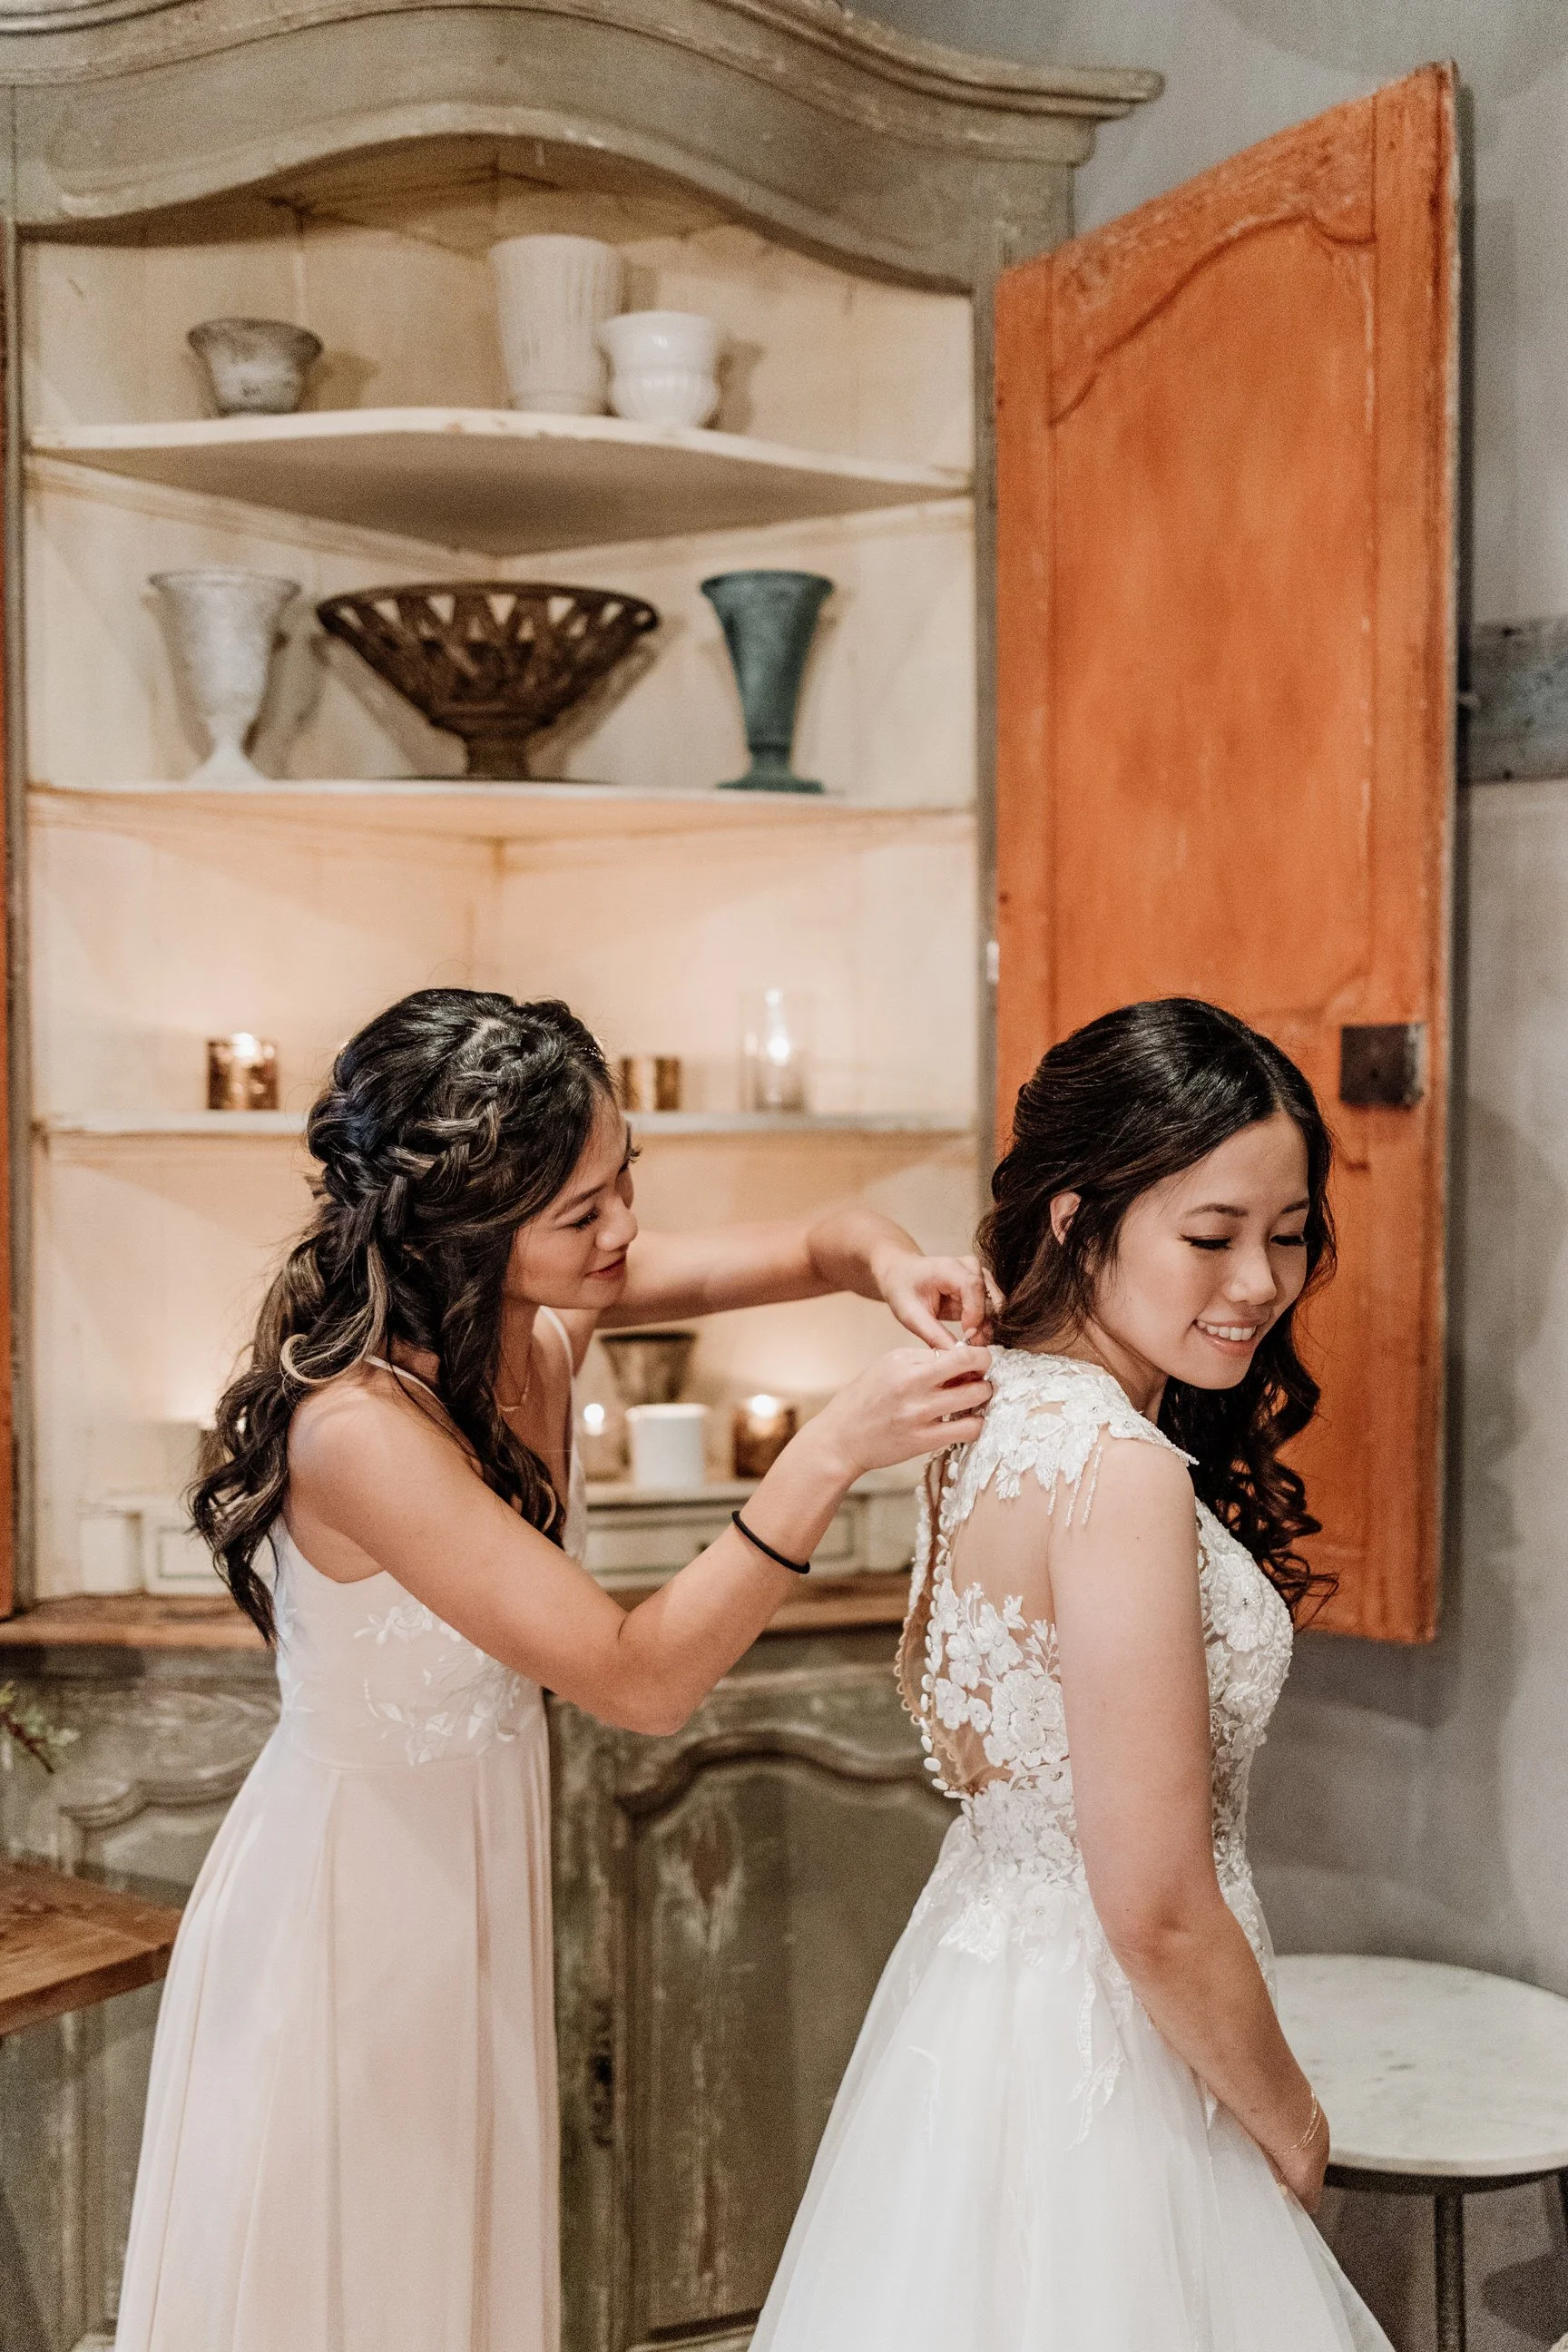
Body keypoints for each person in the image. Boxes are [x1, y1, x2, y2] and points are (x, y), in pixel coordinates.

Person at [113, 987, 993, 2352]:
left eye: (625, 1182)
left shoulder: (531, 1322)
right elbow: (638, 1679)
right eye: (583, 1213)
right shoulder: (357, 1430)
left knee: (450, 2275)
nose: (624, 1233)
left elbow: (816, 1240)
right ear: (460, 1229)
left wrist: (886, 1257)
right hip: (346, 1925)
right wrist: (826, 1454)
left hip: (469, 1884)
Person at [751, 997, 1396, 2352]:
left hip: (979, 2007)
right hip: (1115, 2057)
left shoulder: (984, 1408)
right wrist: (1292, 2122)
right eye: (1210, 1236)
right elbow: (1155, 1905)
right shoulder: (1114, 1470)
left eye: (1288, 1236)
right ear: (1072, 1214)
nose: (1260, 1285)